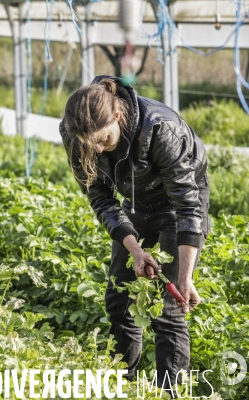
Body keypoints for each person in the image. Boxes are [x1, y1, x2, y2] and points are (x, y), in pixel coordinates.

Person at [59, 75, 210, 389]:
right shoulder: (75, 133)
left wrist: (185, 276)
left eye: (104, 140)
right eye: (91, 145)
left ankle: (168, 391)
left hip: (177, 203)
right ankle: (122, 381)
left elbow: (188, 208)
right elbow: (99, 196)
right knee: (119, 295)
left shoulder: (159, 129)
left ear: (117, 116)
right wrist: (135, 249)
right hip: (137, 199)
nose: (98, 150)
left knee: (167, 309)